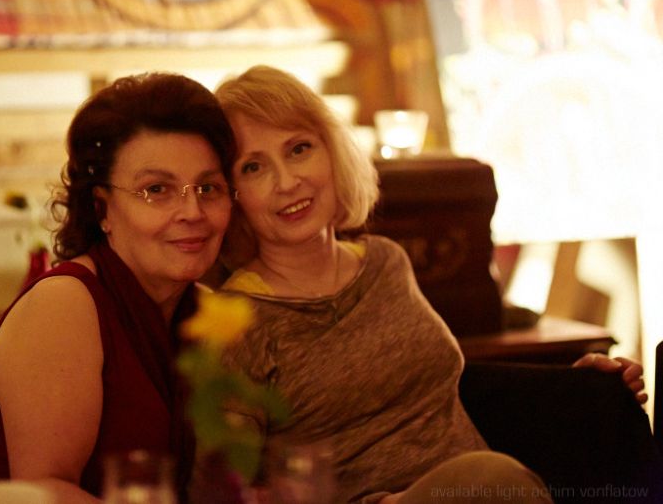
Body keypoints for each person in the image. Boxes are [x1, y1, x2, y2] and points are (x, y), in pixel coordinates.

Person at [212, 65, 647, 503]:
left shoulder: (384, 261)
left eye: (299, 148)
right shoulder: (235, 321)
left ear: (331, 151)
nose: (287, 181)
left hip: (479, 487)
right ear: (231, 195)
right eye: (254, 167)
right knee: (491, 478)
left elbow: (446, 390)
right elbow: (224, 484)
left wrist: (571, 389)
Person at [0, 72, 236, 503]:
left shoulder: (208, 314)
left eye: (208, 188)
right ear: (101, 209)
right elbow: (44, 492)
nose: (192, 211)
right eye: (156, 189)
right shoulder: (65, 303)